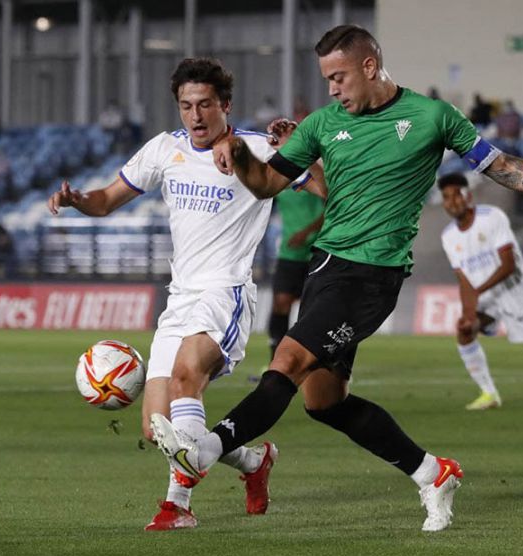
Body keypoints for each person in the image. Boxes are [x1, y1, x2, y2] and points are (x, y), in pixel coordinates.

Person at [149, 25, 523, 532]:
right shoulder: (321, 123)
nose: (332, 89)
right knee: (324, 403)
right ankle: (434, 473)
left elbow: (502, 167)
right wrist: (240, 153)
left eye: (338, 77)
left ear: (369, 66)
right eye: (326, 80)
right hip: (326, 267)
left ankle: (204, 451)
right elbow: (264, 185)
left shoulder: (431, 117)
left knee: (288, 360)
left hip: (373, 276)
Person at [47, 57, 323, 531]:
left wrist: (298, 146)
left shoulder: (255, 148)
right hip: (180, 299)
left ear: (225, 105)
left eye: (205, 105)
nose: (195, 116)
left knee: (186, 375)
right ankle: (255, 462)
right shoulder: (164, 150)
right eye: (186, 106)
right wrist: (77, 200)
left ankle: (177, 506)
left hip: (226, 293)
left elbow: (323, 187)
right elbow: (109, 198)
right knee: (158, 428)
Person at [437, 173, 523, 410]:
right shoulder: (448, 237)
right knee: (464, 331)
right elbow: (463, 281)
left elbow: (508, 266)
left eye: (456, 194)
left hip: (518, 295)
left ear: (468, 195)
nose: (452, 202)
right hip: (488, 299)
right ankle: (489, 394)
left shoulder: (491, 218)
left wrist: (477, 291)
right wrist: (469, 314)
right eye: (446, 198)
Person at [265, 129, 325, 362]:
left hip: (316, 250)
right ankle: (275, 361)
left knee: (314, 310)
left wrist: (306, 232)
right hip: (289, 253)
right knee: (280, 303)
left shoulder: (310, 173)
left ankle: (319, 363)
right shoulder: (276, 177)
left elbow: (331, 203)